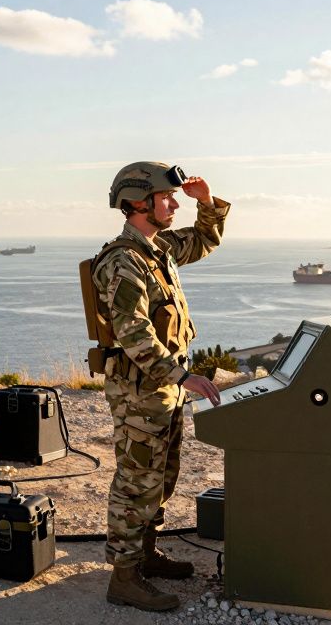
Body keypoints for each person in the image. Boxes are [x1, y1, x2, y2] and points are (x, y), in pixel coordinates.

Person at [91, 161, 229, 611]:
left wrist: (205, 202)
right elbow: (132, 332)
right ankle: (124, 578)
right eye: (166, 198)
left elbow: (204, 240)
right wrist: (182, 376)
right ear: (137, 203)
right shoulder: (123, 261)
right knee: (136, 482)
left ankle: (146, 555)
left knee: (161, 478)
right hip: (141, 391)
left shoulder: (156, 249)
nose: (174, 204)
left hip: (161, 388)